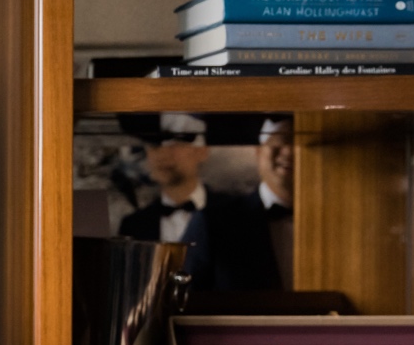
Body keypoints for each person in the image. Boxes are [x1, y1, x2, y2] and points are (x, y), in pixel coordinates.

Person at [182, 116, 293, 292]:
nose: (289, 151)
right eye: (280, 140)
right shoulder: (212, 223)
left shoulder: (339, 223)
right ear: (258, 151)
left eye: (299, 142)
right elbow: (182, 301)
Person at [118, 113, 226, 244]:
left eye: (175, 144)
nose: (163, 155)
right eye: (155, 145)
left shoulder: (234, 217)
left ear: (202, 151)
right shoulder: (133, 225)